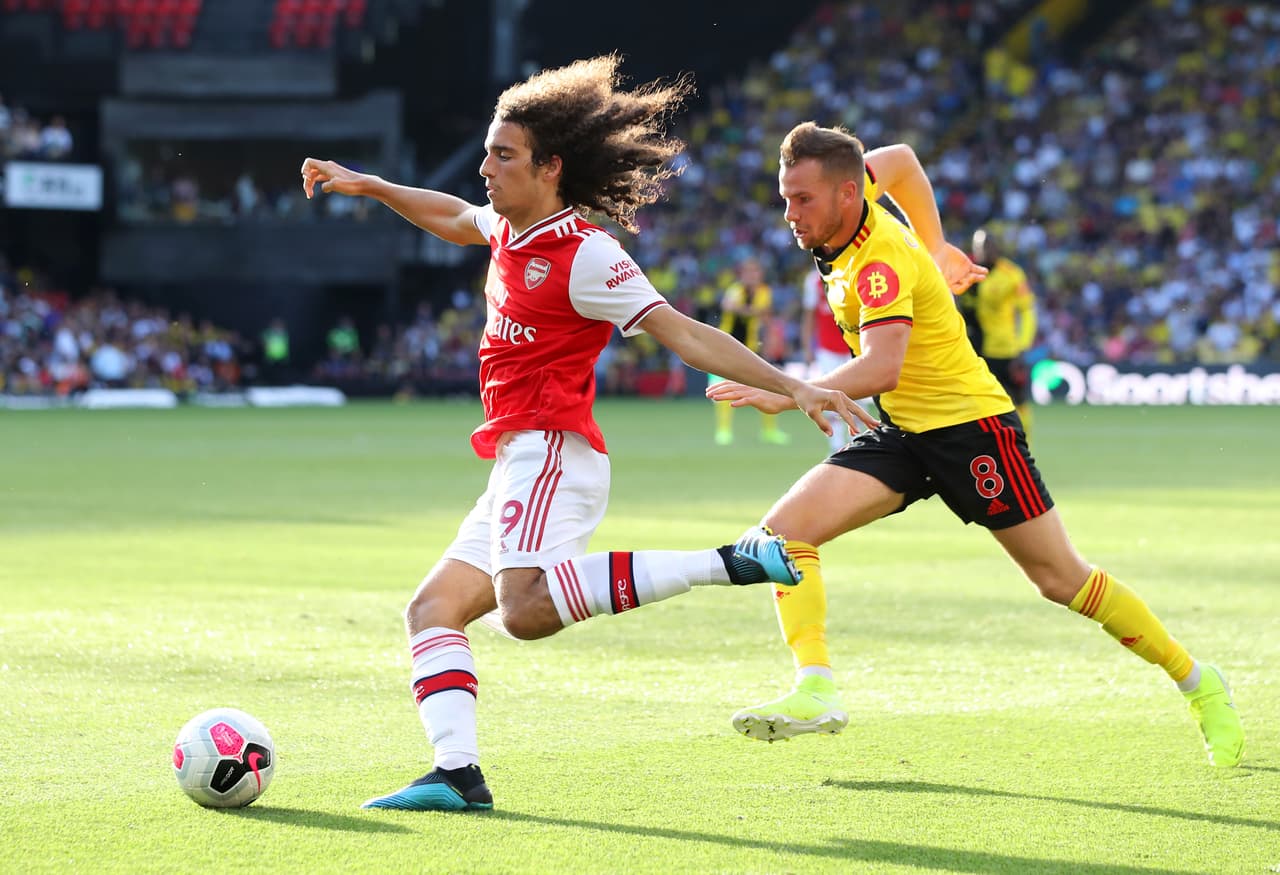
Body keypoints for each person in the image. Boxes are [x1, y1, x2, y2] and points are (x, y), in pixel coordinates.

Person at [300, 57, 872, 812]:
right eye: (488, 152)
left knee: (524, 611)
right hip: (514, 458)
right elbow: (448, 215)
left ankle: (731, 560)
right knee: (433, 610)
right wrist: (371, 186)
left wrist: (794, 384)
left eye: (504, 156)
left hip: (552, 452)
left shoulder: (586, 254)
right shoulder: (507, 227)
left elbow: (682, 331)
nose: (486, 168)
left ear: (551, 167)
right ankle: (457, 774)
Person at [708, 122, 1244, 767]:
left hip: (972, 429)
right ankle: (815, 687)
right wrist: (938, 248)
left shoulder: (877, 263)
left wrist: (792, 390)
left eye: (803, 200)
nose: (789, 215)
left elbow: (883, 366)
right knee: (782, 537)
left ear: (847, 195)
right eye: (786, 197)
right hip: (904, 430)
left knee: (1059, 579)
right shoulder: (853, 195)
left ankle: (1196, 680)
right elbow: (903, 160)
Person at [968, 228, 1038, 441]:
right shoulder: (968, 273)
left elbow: (1027, 311)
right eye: (980, 247)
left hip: (1007, 350)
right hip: (978, 351)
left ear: (997, 248)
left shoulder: (1011, 274)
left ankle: (1025, 446)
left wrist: (1023, 346)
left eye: (988, 246)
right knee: (978, 404)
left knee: (1019, 401)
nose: (984, 251)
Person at [712, 257, 789, 445]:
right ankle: (723, 430)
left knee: (766, 386)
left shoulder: (764, 292)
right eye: (748, 272)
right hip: (728, 346)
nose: (752, 276)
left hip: (753, 347)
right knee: (724, 386)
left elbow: (763, 314)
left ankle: (769, 431)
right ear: (743, 275)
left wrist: (772, 338)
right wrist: (751, 311)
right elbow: (729, 306)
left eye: (755, 272)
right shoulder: (735, 290)